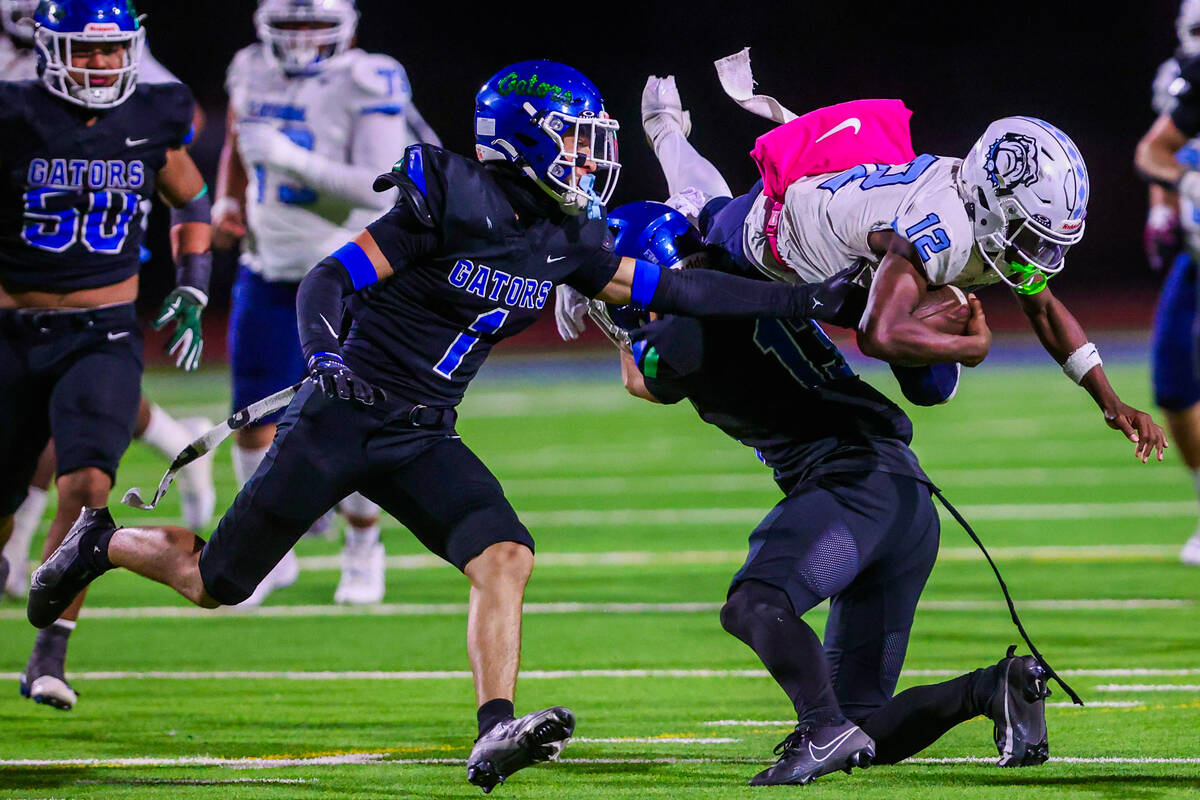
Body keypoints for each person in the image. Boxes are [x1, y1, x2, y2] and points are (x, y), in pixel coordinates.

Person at [29, 59, 874, 792]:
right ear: (524, 139)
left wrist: (807, 301)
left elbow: (684, 291)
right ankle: (101, 543)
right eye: (575, 137)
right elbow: (331, 278)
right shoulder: (451, 198)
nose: (590, 155)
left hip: (423, 431)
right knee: (218, 583)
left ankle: (493, 729)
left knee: (505, 554)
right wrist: (322, 357)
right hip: (341, 411)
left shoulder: (567, 236)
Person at [594, 201, 1051, 785]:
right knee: (864, 724)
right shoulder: (749, 271)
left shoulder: (681, 333)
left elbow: (645, 378)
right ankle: (994, 687)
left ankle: (819, 727)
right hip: (905, 501)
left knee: (755, 603)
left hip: (853, 487)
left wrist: (605, 306)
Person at [630, 73, 1167, 462]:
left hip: (851, 267)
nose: (1036, 252)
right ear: (991, 199)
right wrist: (969, 347)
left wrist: (1109, 400)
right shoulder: (942, 230)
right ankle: (666, 134)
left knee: (931, 380)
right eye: (1029, 231)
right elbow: (877, 334)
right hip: (773, 237)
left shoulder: (988, 221)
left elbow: (1045, 311)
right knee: (697, 225)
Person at [0, 0, 213, 711]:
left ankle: (50, 652)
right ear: (50, 50)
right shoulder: (12, 111)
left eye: (110, 50)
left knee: (89, 488)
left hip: (104, 332)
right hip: (10, 332)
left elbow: (189, 197)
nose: (100, 65)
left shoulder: (154, 113)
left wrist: (194, 284)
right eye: (85, 53)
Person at [212, 0, 441, 605]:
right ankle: (267, 554)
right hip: (269, 265)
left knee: (354, 418)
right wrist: (228, 202)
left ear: (347, 27)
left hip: (351, 271)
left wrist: (288, 158)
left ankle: (363, 546)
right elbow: (240, 141)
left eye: (316, 25)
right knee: (252, 422)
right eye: (291, 27)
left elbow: (378, 178)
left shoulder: (369, 77)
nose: (303, 40)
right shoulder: (248, 66)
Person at [1135, 0, 1200, 565]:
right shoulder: (1188, 79)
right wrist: (1170, 199)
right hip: (1198, 257)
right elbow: (1158, 149)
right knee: (1174, 382)